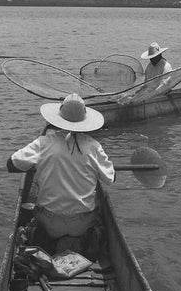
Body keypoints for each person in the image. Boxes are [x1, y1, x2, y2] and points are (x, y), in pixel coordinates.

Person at [7, 93, 115, 243]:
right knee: (97, 207)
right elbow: (111, 179)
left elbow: (11, 164)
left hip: (49, 222)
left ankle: (42, 238)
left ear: (59, 119)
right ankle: (87, 239)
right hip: (82, 224)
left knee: (33, 208)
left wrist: (39, 164)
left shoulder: (43, 143)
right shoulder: (94, 146)